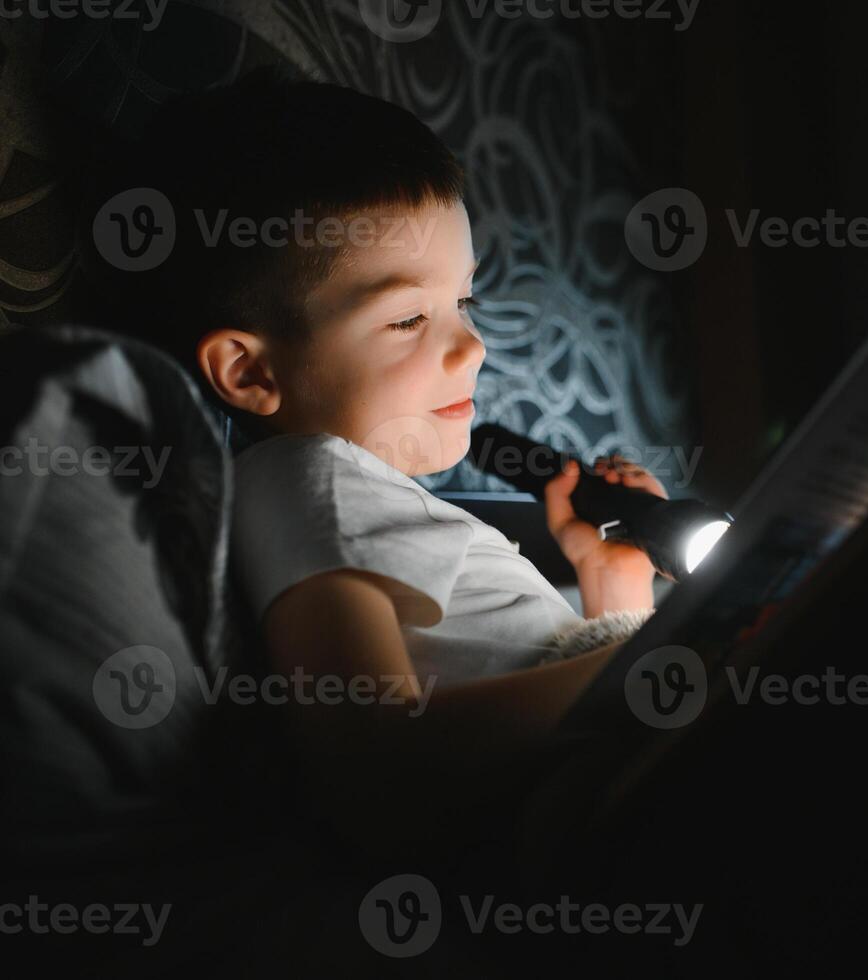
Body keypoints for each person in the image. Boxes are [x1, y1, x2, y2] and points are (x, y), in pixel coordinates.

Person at [88, 69, 663, 845]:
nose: (472, 345)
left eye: (463, 302)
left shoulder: (360, 498)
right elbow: (374, 767)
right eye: (405, 320)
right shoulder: (310, 477)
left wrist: (615, 592)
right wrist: (661, 660)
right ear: (253, 372)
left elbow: (529, 672)